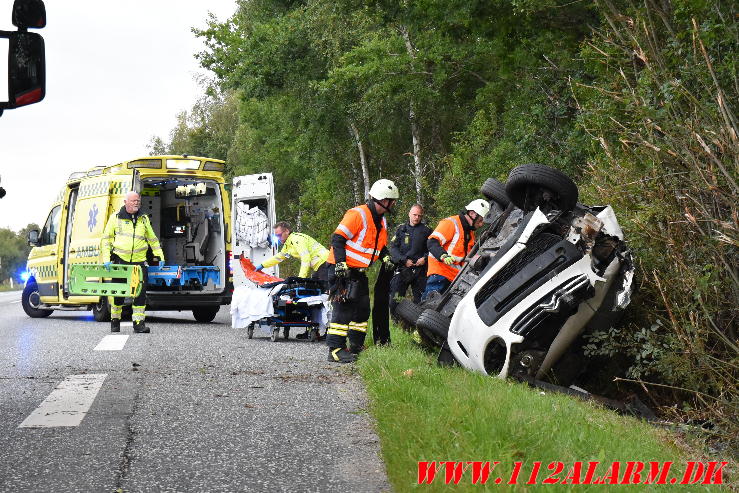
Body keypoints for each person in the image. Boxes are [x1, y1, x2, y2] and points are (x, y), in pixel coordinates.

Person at [325, 178, 399, 363]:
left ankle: (355, 346)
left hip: (359, 272)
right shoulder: (358, 214)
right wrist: (340, 263)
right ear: (383, 200)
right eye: (392, 200)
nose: (394, 204)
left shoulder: (381, 221)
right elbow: (338, 238)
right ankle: (335, 349)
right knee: (343, 310)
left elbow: (378, 246)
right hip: (342, 269)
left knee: (362, 309)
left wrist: (386, 257)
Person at [101, 191, 165, 334]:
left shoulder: (143, 218)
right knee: (118, 294)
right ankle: (115, 320)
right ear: (125, 202)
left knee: (140, 294)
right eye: (133, 200)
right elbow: (106, 240)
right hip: (120, 261)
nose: (136, 203)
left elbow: (152, 238)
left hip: (139, 262)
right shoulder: (115, 218)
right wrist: (106, 259)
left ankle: (138, 323)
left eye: (138, 200)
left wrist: (159, 255)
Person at [423, 199, 490, 300]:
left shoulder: (470, 233)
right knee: (429, 305)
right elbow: (432, 242)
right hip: (441, 274)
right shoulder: (451, 223)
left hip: (455, 279)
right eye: (480, 221)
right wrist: (443, 255)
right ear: (472, 214)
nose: (481, 225)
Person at [388, 204, 432, 313]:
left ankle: (417, 325)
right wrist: (404, 260)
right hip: (403, 268)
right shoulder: (401, 229)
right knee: (395, 297)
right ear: (409, 214)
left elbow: (433, 248)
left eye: (419, 215)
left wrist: (425, 259)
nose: (417, 217)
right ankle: (396, 322)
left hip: (420, 271)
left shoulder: (427, 230)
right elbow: (393, 248)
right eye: (415, 215)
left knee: (421, 300)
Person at [255, 222, 329, 282]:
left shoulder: (296, 239)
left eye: (279, 235)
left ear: (287, 231)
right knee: (315, 286)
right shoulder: (288, 245)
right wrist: (263, 265)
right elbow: (278, 258)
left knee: (323, 288)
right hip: (320, 265)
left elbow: (305, 258)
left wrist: (301, 278)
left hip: (325, 261)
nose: (278, 238)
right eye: (276, 236)